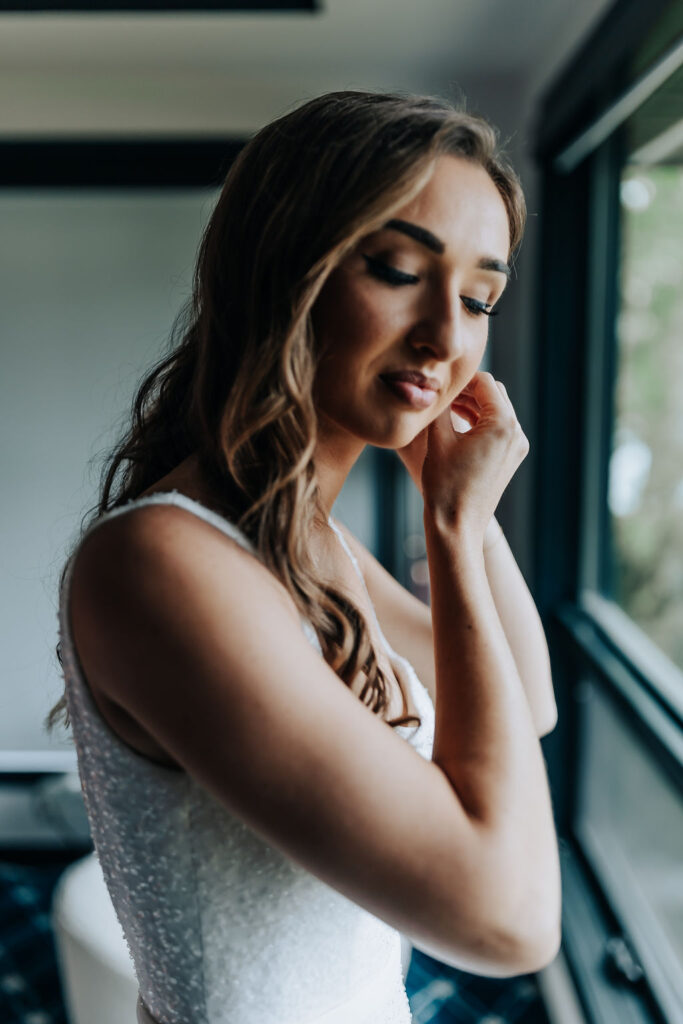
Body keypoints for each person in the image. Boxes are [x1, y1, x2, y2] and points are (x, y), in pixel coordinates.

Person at [49, 90, 561, 1024]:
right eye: (401, 270)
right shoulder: (162, 561)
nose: (447, 336)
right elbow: (510, 922)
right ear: (285, 271)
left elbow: (524, 704)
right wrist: (446, 530)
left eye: (480, 296)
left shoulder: (302, 538)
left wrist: (462, 511)